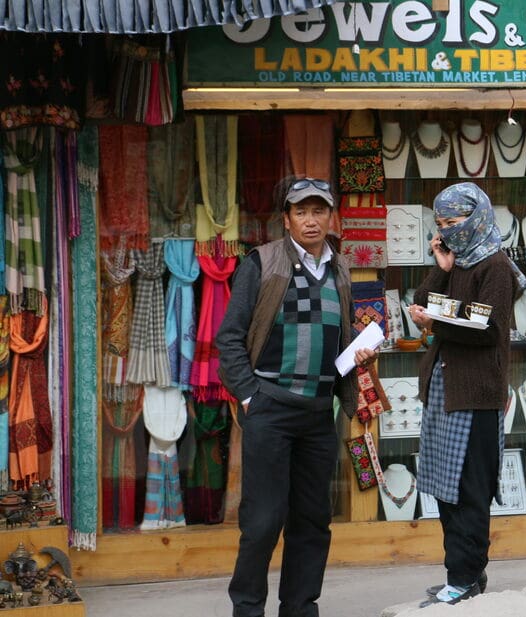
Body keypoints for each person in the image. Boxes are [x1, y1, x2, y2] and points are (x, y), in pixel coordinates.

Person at [216, 176, 378, 617]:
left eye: (319, 211)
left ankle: (300, 608)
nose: (311, 220)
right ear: (286, 219)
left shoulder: (341, 269)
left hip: (317, 414)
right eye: (301, 212)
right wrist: (249, 396)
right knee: (263, 522)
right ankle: (248, 610)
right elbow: (229, 337)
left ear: (331, 216)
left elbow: (340, 336)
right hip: (270, 408)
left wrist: (357, 354)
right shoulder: (262, 263)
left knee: (312, 521)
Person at [409, 182, 526, 607]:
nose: (448, 231)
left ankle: (465, 577)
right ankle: (461, 576)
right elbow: (424, 302)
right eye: (440, 225)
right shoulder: (459, 260)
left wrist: (435, 322)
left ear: (475, 219)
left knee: (469, 489)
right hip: (445, 389)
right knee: (445, 488)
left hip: (475, 393)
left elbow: (490, 327)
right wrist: (441, 266)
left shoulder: (494, 265)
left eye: (454, 223)